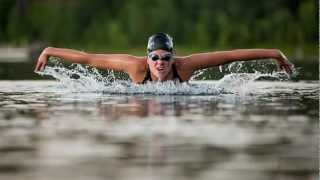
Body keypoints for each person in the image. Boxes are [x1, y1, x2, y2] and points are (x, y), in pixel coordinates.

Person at [35, 32, 293, 84]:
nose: (160, 62)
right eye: (155, 57)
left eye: (166, 57)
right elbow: (89, 59)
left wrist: (276, 54)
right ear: (147, 58)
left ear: (174, 57)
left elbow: (231, 56)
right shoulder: (135, 67)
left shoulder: (185, 66)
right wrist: (49, 51)